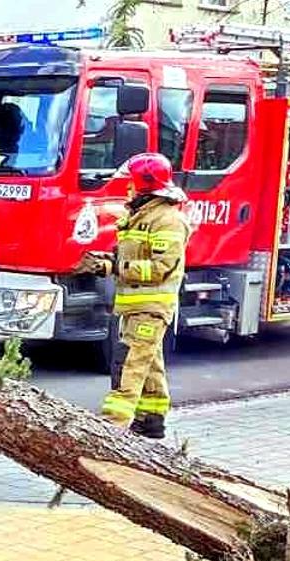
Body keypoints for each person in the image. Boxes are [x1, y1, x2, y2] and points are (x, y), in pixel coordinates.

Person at [89, 152, 189, 440]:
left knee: (129, 364)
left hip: (151, 307)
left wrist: (116, 267)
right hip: (136, 307)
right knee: (150, 364)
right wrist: (106, 261)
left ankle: (110, 430)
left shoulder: (168, 221)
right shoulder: (140, 217)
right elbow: (132, 256)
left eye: (131, 183)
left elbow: (161, 268)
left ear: (145, 186)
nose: (127, 188)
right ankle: (151, 422)